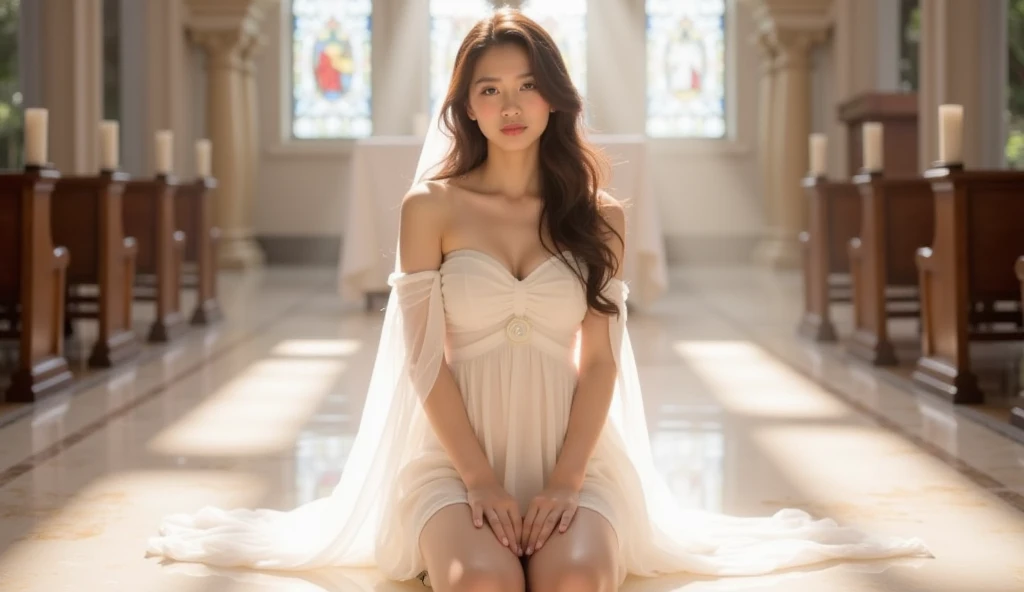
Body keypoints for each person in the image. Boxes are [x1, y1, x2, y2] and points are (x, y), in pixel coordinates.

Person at [147, 8, 930, 591]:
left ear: (554, 97)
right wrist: (481, 481)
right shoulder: (431, 210)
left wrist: (564, 480)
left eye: (526, 85)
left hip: (572, 454)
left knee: (573, 581)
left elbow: (599, 368)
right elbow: (424, 364)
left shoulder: (601, 218)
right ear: (468, 107)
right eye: (489, 89)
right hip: (455, 459)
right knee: (483, 581)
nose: (510, 103)